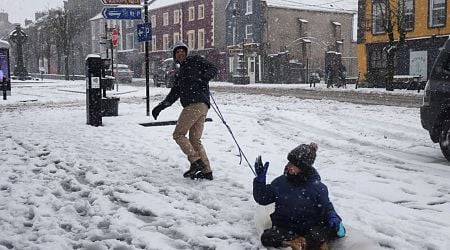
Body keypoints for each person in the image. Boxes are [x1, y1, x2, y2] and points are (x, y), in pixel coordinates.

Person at [253, 143, 345, 250]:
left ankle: (312, 243)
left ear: (303, 168)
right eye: (289, 162)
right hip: (285, 227)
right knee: (266, 237)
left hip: (309, 228)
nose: (288, 165)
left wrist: (333, 216)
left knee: (320, 233)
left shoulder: (317, 187)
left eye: (293, 164)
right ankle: (294, 242)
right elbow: (263, 198)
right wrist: (259, 181)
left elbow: (327, 207)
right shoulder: (280, 182)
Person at [151, 41, 217, 180]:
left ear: (186, 53)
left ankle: (195, 161)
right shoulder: (180, 73)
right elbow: (174, 93)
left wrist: (202, 79)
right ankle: (207, 171)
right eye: (177, 52)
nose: (180, 54)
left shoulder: (195, 60)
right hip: (201, 106)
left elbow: (212, 69)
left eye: (182, 51)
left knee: (178, 134)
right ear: (175, 56)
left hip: (195, 104)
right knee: (194, 139)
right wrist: (161, 106)